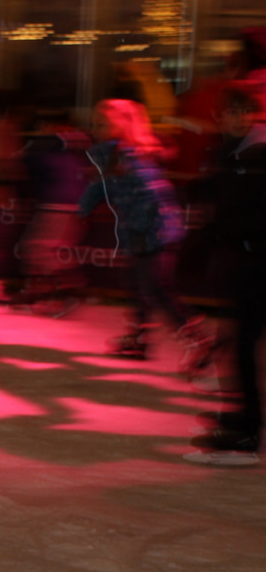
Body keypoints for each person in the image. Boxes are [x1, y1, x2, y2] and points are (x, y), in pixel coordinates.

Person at [79, 99, 209, 365]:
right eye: (96, 123)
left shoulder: (133, 155)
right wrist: (83, 208)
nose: (97, 129)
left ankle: (199, 340)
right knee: (137, 285)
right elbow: (99, 187)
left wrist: (141, 228)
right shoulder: (115, 155)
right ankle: (140, 337)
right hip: (145, 230)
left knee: (157, 288)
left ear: (122, 125)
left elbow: (151, 196)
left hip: (156, 231)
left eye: (103, 124)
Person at [187, 87, 266, 464]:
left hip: (258, 261)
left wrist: (220, 232)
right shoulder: (229, 153)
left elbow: (256, 214)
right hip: (244, 260)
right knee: (241, 343)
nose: (237, 118)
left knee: (246, 344)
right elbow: (219, 195)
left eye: (243, 112)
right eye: (231, 112)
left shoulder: (259, 155)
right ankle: (247, 417)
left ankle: (249, 430)